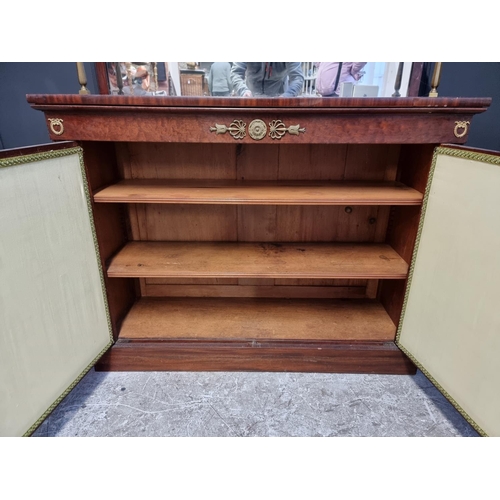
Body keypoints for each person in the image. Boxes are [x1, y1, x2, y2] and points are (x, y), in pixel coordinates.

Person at [231, 62, 304, 97]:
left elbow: (297, 77)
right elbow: (236, 73)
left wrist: (288, 95)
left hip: (280, 97)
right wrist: (243, 91)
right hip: (251, 97)